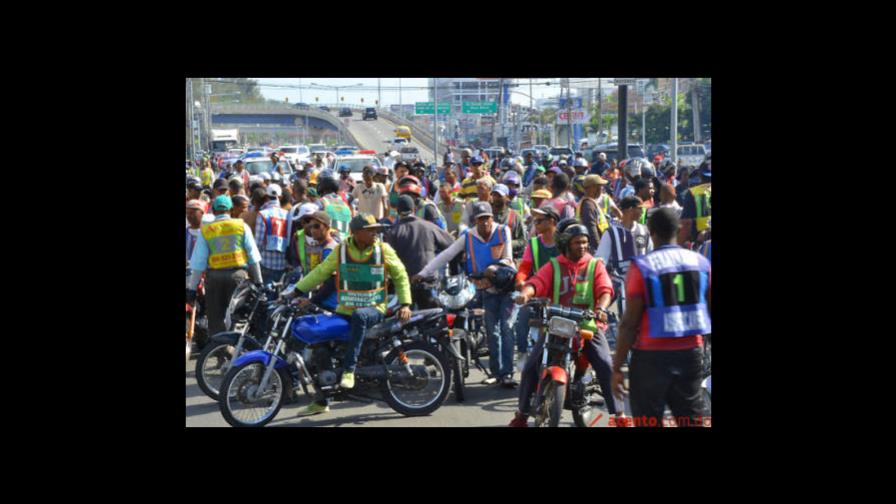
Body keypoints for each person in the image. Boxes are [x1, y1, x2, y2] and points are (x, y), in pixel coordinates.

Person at [510, 223, 623, 427]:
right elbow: (537, 282)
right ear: (566, 244)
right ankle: (521, 415)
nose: (582, 246)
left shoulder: (594, 265)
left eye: (585, 242)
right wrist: (525, 295)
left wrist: (601, 308)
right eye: (577, 243)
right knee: (530, 368)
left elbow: (605, 289)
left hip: (587, 325)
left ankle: (620, 415)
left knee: (606, 364)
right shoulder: (554, 265)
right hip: (557, 324)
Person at [291, 213, 413, 400]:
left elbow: (401, 274)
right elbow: (321, 272)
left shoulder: (383, 249)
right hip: (344, 310)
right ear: (356, 233)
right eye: (369, 230)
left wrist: (405, 303)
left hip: (374, 308)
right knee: (320, 344)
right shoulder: (341, 250)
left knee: (360, 316)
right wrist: (296, 291)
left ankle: (349, 369)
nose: (375, 233)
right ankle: (322, 400)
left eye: (375, 229)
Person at [611, 208, 711, 427]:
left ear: (650, 231)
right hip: (691, 353)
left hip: (651, 357)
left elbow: (629, 324)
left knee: (648, 421)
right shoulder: (701, 263)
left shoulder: (643, 266)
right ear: (678, 230)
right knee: (691, 420)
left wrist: (617, 366)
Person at [412, 202, 517, 387]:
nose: (484, 223)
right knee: (492, 331)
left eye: (487, 218)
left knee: (507, 328)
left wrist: (492, 268)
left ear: (492, 218)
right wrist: (423, 273)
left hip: (506, 286)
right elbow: (446, 254)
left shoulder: (503, 231)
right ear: (475, 221)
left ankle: (507, 374)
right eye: (480, 220)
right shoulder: (468, 236)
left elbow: (508, 258)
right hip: (485, 289)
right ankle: (496, 372)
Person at [187, 195, 264, 338]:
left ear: (214, 211)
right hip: (238, 277)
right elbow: (253, 256)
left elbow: (198, 263)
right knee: (236, 317)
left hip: (214, 278)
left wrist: (192, 289)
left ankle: (219, 351)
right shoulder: (241, 226)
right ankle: (234, 350)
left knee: (215, 318)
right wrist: (259, 281)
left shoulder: (206, 230)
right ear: (230, 210)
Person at [384, 195, 455, 309]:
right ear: (414, 209)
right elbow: (451, 244)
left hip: (406, 286)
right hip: (428, 282)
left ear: (397, 211)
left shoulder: (392, 232)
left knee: (407, 322)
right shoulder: (428, 226)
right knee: (432, 322)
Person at [513, 206, 561, 364]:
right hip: (539, 293)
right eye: (535, 222)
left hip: (562, 293)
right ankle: (522, 352)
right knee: (522, 318)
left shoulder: (564, 243)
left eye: (539, 221)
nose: (536, 225)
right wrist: (520, 280)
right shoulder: (533, 243)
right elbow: (525, 267)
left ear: (552, 221)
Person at [255, 184, 290, 287]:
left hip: (266, 263)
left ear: (266, 196)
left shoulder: (263, 214)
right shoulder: (288, 215)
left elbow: (258, 242)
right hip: (283, 264)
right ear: (280, 197)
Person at [577, 174, 614, 254]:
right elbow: (592, 230)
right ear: (593, 188)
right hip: (593, 250)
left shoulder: (590, 202)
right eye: (600, 186)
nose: (601, 189)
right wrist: (599, 250)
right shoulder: (588, 205)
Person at [490, 184, 527, 261]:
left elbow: (522, 241)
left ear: (507, 197)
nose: (496, 198)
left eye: (499, 196)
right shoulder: (487, 215)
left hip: (509, 258)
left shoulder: (515, 216)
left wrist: (507, 244)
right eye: (494, 195)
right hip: (489, 257)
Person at [678, 160, 711, 247]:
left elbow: (686, 223)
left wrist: (678, 245)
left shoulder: (693, 192)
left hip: (701, 242)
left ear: (700, 175)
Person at [317, 174, 353, 239]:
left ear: (323, 189)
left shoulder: (322, 202)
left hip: (331, 240)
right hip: (346, 240)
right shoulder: (343, 203)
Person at [185, 199, 206, 267]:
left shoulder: (208, 233)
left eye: (192, 213)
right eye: (187, 213)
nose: (189, 216)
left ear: (202, 212)